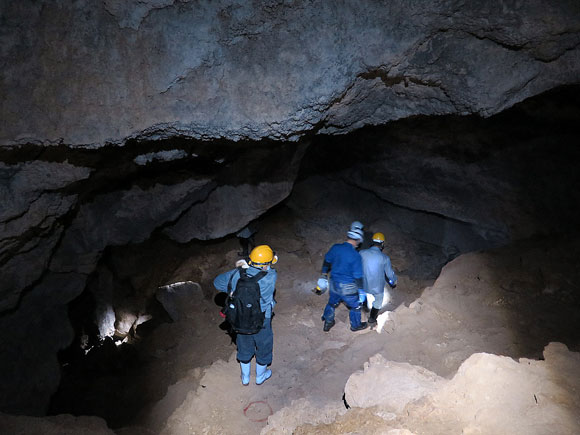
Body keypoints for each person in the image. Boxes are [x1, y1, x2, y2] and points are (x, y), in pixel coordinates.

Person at [213, 245, 278, 385]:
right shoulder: (271, 276)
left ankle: (245, 377)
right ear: (266, 264)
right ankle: (260, 376)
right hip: (262, 319)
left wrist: (233, 288)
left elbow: (217, 282)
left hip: (241, 317)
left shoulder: (237, 274)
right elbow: (268, 267)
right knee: (264, 345)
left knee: (244, 344)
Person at [320, 222, 368, 332]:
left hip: (333, 284)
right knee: (356, 306)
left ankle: (328, 322)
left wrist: (323, 275)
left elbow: (327, 261)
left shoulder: (336, 248)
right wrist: (361, 291)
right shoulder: (355, 255)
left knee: (332, 303)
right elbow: (358, 276)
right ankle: (355, 326)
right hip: (348, 287)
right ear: (358, 240)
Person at [360, 232, 397, 328]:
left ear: (372, 242)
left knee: (362, 294)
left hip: (364, 284)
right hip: (377, 287)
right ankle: (372, 318)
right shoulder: (385, 258)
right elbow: (389, 274)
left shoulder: (362, 253)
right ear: (382, 244)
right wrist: (394, 281)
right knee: (379, 300)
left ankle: (364, 308)